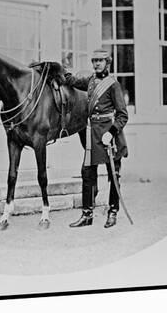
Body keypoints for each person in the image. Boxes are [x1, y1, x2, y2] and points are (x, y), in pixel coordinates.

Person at [66, 48, 128, 228]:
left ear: (107, 63)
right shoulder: (90, 81)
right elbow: (71, 80)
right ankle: (87, 214)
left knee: (113, 175)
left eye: (100, 61)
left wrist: (112, 132)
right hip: (92, 133)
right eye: (94, 61)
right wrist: (58, 68)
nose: (96, 64)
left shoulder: (113, 84)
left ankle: (113, 212)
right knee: (87, 173)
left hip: (109, 135)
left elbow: (123, 115)